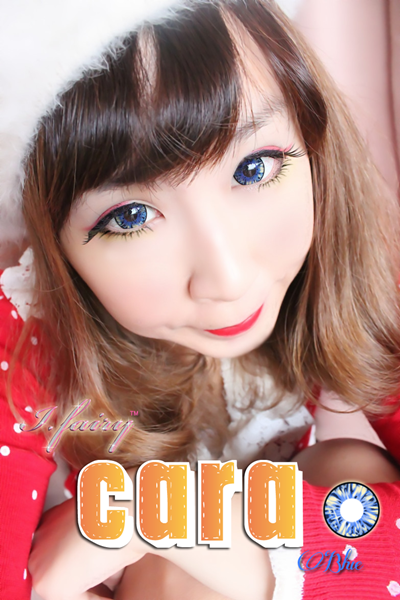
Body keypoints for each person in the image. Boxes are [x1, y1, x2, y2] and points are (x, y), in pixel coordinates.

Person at [0, 0, 400, 598]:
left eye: (254, 168)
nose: (227, 278)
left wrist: (148, 516)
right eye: (131, 217)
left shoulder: (360, 269)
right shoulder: (23, 327)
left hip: (256, 551)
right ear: (51, 243)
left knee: (348, 474)